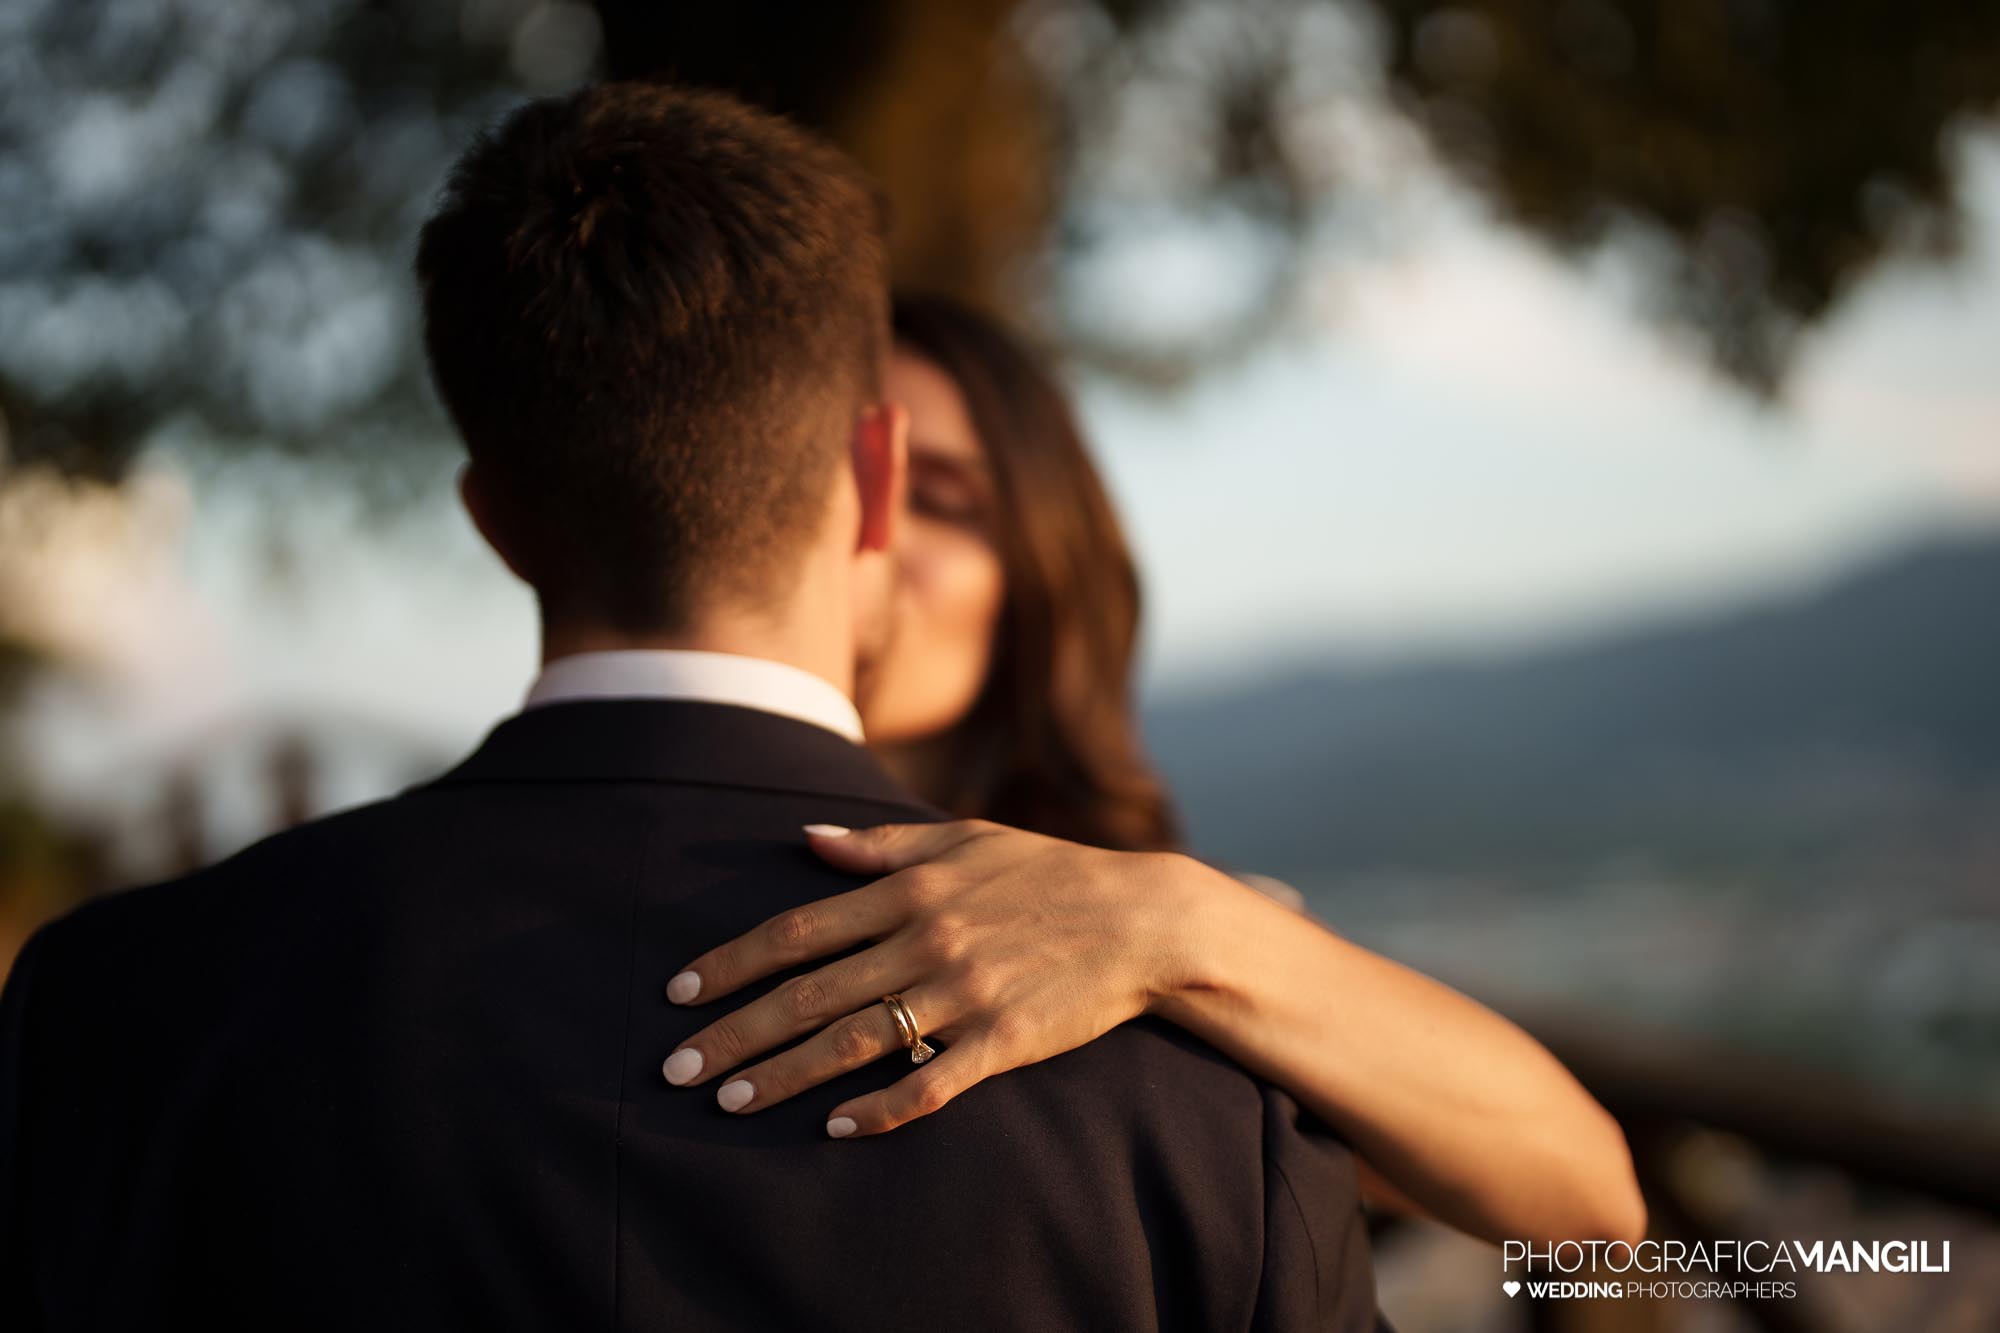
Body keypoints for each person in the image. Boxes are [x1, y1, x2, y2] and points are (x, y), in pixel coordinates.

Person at [0, 83, 1388, 1331]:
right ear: (879, 475)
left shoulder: (109, 1009)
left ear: (495, 518)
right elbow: (1598, 1251)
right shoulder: (1196, 1083)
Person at [648, 292, 1649, 1250]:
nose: (877, 534)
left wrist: (1178, 925)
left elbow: (1587, 1203)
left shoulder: (1156, 934)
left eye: (941, 498)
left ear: (1041, 571)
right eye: (848, 481)